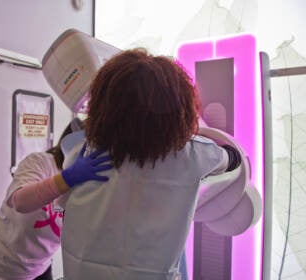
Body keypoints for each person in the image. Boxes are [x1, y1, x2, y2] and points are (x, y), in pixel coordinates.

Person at [56, 48, 242, 280]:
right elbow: (232, 160)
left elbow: (62, 202)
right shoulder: (191, 155)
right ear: (178, 109)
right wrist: (191, 132)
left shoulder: (83, 153)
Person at [0, 118, 113, 280]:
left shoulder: (89, 178)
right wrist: (68, 178)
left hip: (39, 268)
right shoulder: (41, 162)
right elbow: (20, 202)